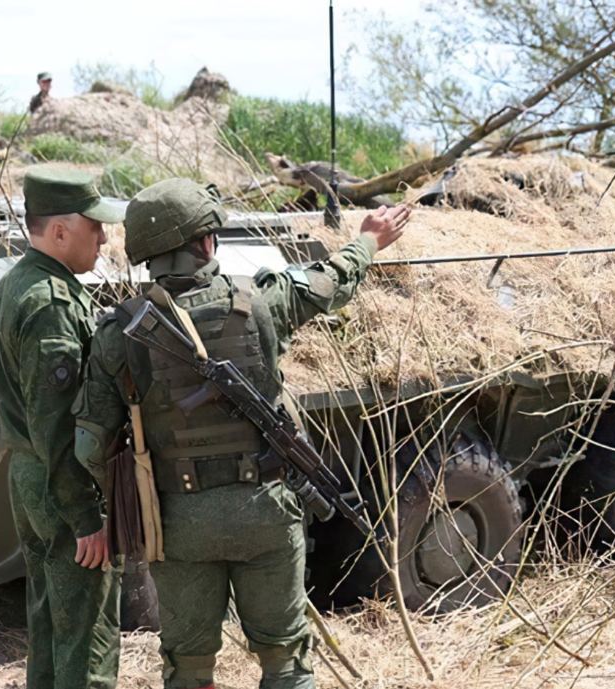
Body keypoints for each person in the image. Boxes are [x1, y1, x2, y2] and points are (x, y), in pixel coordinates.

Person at [72, 178, 410, 689]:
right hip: (266, 511)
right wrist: (368, 239)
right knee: (285, 661)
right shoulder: (261, 299)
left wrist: (129, 499)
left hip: (176, 523)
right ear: (206, 242)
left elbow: (91, 446)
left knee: (188, 668)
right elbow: (332, 280)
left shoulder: (118, 332)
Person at [0, 165, 125, 689]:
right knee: (86, 639)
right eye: (95, 227)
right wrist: (86, 516)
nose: (104, 238)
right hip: (61, 483)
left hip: (33, 476)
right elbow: (57, 425)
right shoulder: (51, 303)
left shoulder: (17, 283)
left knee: (50, 625)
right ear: (61, 232)